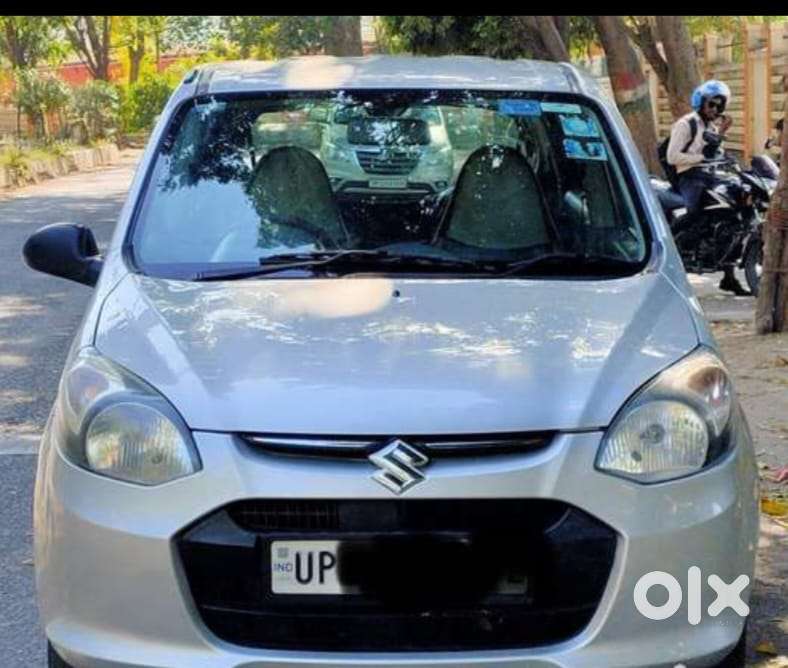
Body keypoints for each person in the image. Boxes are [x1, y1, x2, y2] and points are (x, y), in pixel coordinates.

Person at [666, 80, 748, 296]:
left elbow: (715, 153)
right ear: (700, 103)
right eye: (711, 104)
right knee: (694, 212)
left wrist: (721, 134)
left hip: (709, 177)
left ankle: (729, 278)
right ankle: (666, 244)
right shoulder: (687, 124)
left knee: (734, 216)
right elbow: (672, 156)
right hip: (689, 177)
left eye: (719, 106)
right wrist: (700, 157)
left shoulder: (710, 127)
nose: (715, 110)